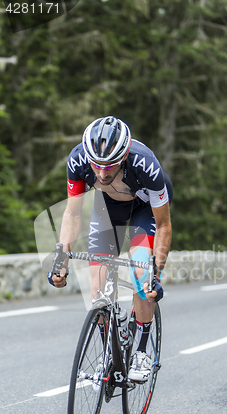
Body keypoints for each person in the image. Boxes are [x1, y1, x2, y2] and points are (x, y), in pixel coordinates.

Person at [48, 116, 173, 382]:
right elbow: (72, 213)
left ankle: (141, 350)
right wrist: (61, 259)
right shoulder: (78, 160)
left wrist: (155, 271)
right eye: (97, 166)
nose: (102, 174)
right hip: (108, 207)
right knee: (98, 288)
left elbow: (163, 225)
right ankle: (109, 345)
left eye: (110, 166)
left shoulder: (145, 164)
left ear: (125, 156)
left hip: (145, 208)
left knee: (141, 270)